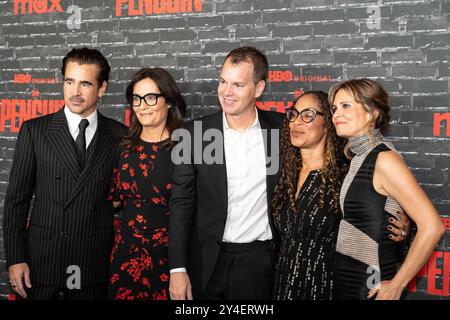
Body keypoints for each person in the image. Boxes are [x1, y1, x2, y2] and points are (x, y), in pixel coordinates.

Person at [3, 47, 127, 300]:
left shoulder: (120, 135)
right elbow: (17, 201)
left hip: (93, 260)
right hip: (42, 261)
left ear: (102, 88)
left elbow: (124, 194)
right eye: (69, 82)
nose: (75, 92)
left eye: (85, 84)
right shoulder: (35, 131)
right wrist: (15, 259)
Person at [169, 47, 284, 300]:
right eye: (223, 81)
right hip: (205, 261)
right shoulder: (194, 134)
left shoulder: (282, 131)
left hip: (259, 262)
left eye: (238, 85)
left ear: (259, 88)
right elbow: (181, 204)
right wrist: (177, 268)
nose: (226, 92)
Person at [271, 90, 409, 300]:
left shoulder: (346, 174)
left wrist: (401, 231)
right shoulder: (284, 173)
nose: (296, 122)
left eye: (307, 115)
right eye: (293, 114)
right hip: (282, 285)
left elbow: (379, 227)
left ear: (327, 122)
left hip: (327, 287)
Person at [329, 78, 445, 300]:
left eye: (346, 106)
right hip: (347, 279)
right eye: (334, 108)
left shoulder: (384, 159)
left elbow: (433, 226)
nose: (336, 114)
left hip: (370, 284)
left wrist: (397, 285)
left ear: (372, 113)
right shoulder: (357, 157)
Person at [107, 68, 186, 300]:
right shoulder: (122, 147)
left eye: (151, 97)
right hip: (125, 259)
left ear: (169, 101)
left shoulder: (186, 148)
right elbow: (112, 201)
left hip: (170, 261)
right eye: (136, 98)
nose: (142, 105)